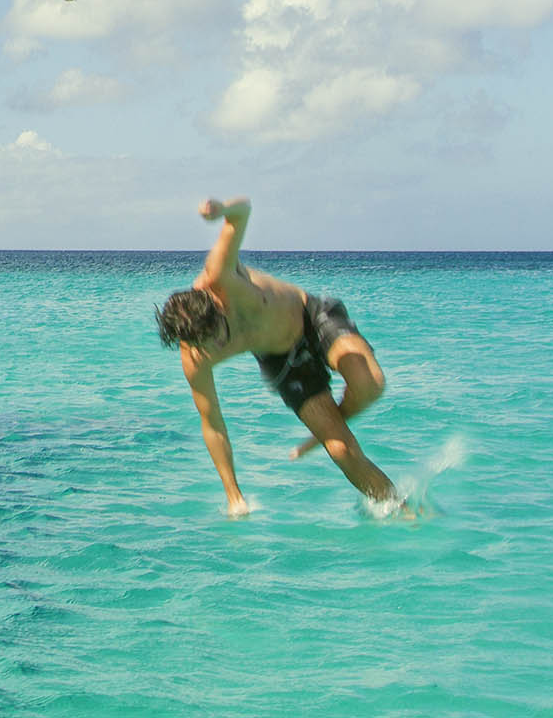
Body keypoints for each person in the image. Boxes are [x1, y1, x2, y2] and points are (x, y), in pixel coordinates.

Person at [156, 196, 399, 513]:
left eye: (215, 337)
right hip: (283, 362)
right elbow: (212, 423)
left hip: (311, 318)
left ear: (219, 307)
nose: (213, 348)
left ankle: (329, 427)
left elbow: (241, 213)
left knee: (370, 383)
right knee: (341, 451)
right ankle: (401, 510)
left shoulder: (221, 276)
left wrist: (221, 209)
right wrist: (234, 496)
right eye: (203, 345)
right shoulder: (196, 356)